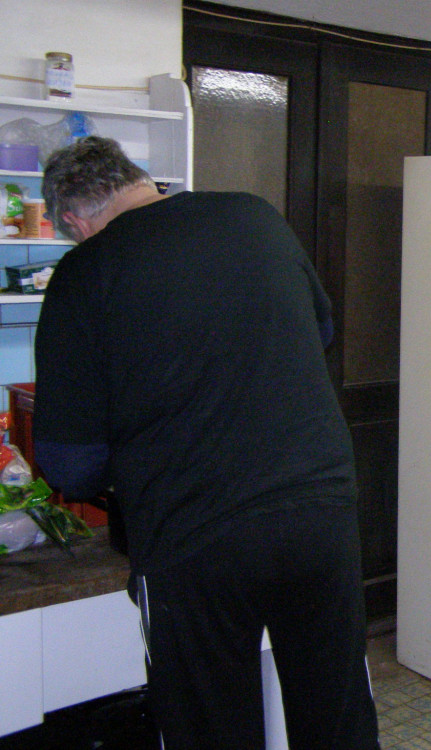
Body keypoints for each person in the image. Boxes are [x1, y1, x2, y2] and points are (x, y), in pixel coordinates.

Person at [32, 136, 380, 749]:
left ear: (74, 220)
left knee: (211, 727)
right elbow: (321, 329)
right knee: (337, 714)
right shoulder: (253, 217)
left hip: (195, 537)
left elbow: (71, 466)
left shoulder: (84, 271)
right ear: (139, 179)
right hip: (318, 514)